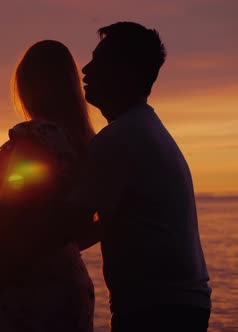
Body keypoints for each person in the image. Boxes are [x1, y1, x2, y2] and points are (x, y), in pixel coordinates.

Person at [79, 22, 212, 331]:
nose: (85, 70)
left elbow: (69, 223)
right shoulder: (146, 130)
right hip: (181, 304)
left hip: (157, 310)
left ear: (123, 73)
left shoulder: (120, 138)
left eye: (98, 61)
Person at [0, 40, 95, 331]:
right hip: (63, 281)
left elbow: (14, 200)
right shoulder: (80, 141)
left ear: (30, 87)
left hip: (31, 292)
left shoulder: (38, 138)